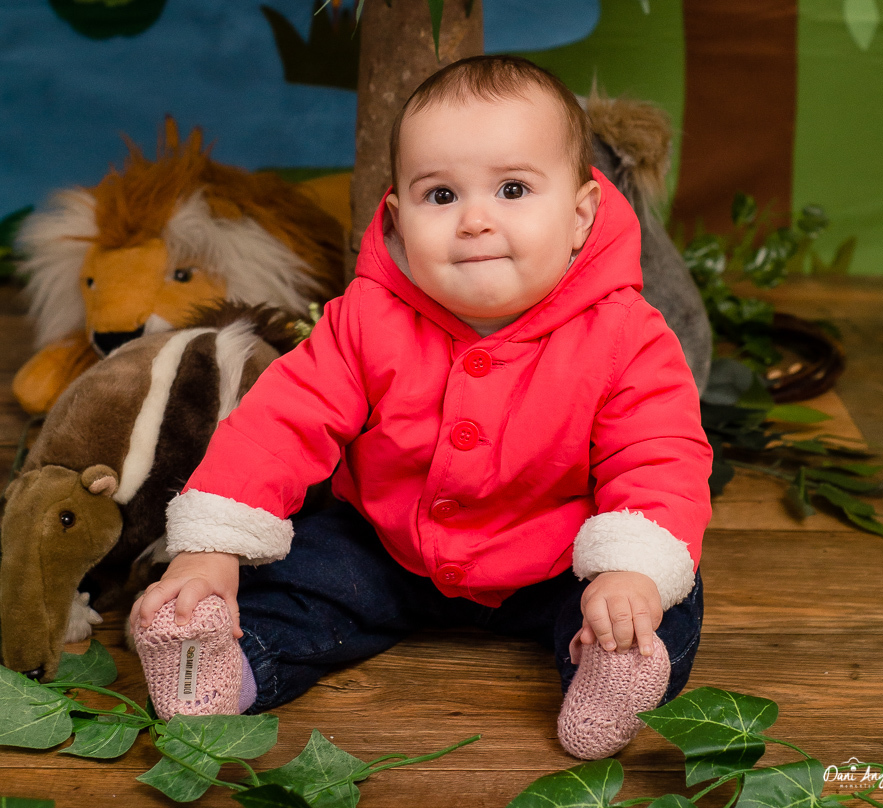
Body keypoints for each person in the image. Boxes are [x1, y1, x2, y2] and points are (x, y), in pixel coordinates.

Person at [132, 55, 713, 760]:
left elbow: (658, 456)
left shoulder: (625, 334)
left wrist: (631, 573)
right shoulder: (366, 319)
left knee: (657, 598)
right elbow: (278, 425)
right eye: (441, 195)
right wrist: (210, 549)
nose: (474, 220)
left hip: (557, 560)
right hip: (389, 548)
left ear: (579, 216)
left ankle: (612, 667)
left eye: (512, 189)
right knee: (295, 572)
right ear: (398, 219)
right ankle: (221, 663)